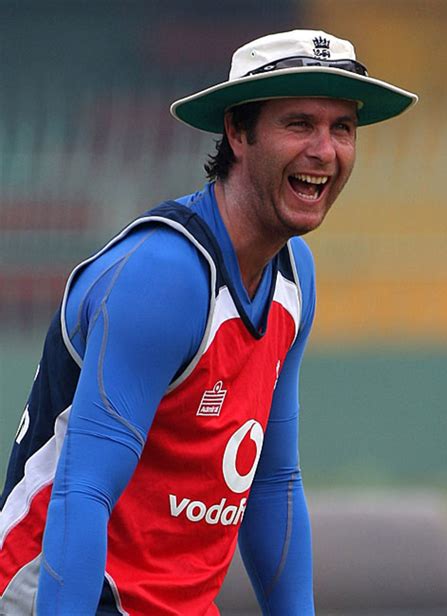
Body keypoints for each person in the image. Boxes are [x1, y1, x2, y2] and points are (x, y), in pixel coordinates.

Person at [0, 29, 417, 615]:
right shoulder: (166, 275)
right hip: (55, 592)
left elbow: (272, 484)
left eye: (342, 128)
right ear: (238, 132)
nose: (325, 149)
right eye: (299, 124)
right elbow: (82, 493)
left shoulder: (295, 275)